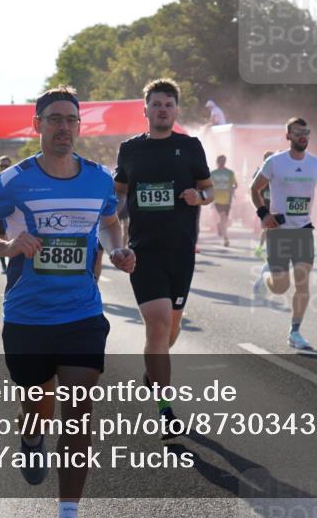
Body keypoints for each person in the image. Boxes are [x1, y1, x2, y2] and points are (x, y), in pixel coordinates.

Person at [0, 85, 134, 518]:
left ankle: (68, 509)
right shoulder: (13, 180)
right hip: (27, 317)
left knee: (79, 409)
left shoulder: (98, 178)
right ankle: (32, 438)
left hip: (82, 313)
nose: (64, 127)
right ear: (37, 125)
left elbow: (110, 224)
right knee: (37, 404)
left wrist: (116, 250)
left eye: (71, 120)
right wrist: (7, 246)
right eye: (54, 119)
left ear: (80, 126)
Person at [114, 78, 214, 433]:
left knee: (170, 332)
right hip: (144, 250)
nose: (162, 110)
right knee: (156, 324)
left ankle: (153, 371)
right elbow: (120, 194)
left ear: (176, 110)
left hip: (181, 251)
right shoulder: (129, 150)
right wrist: (112, 211)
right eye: (156, 104)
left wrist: (197, 199)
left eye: (168, 105)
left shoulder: (190, 147)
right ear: (145, 110)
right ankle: (165, 407)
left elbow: (209, 191)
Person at [249, 118, 317, 350]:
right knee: (280, 287)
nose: (302, 136)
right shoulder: (274, 162)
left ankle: (295, 331)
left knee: (302, 283)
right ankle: (266, 275)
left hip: (303, 231)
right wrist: (263, 214)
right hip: (278, 231)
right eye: (297, 132)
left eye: (306, 132)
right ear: (288, 136)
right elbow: (254, 189)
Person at [210, 155, 237, 247]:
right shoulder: (213, 173)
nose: (221, 163)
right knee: (223, 218)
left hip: (227, 199)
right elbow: (209, 185)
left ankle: (219, 226)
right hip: (217, 199)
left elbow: (235, 184)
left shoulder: (230, 173)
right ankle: (226, 239)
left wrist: (232, 189)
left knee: (224, 220)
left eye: (222, 162)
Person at [252, 151, 274, 259]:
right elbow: (253, 188)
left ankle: (264, 249)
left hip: (276, 204)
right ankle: (261, 248)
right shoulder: (260, 171)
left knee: (271, 229)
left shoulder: (278, 169)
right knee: (267, 229)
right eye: (268, 158)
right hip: (264, 204)